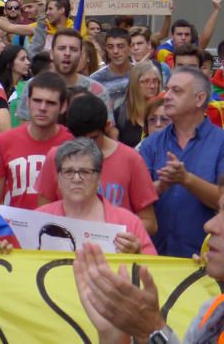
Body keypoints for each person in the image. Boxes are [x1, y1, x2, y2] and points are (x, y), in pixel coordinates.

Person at [73, 183, 224, 344]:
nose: (210, 226)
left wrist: (152, 328)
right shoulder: (213, 311)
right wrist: (113, 336)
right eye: (217, 211)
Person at [35, 93, 158, 234]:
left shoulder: (131, 159)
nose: (86, 145)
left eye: (93, 139)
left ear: (107, 126)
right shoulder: (56, 157)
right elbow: (42, 216)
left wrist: (112, 234)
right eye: (79, 139)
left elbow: (149, 222)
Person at [138, 66, 224, 257]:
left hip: (206, 261)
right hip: (156, 258)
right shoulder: (151, 144)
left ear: (199, 99)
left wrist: (187, 180)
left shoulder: (221, 143)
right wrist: (160, 186)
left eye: (176, 91)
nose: (166, 95)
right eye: (167, 89)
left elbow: (222, 201)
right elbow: (136, 200)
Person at [33, 138, 156, 254]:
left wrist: (137, 255)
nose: (76, 179)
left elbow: (154, 272)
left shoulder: (128, 222)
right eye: (68, 172)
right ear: (58, 178)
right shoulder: (37, 219)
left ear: (99, 178)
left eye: (85, 172)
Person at [0, 72, 74, 209]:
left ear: (63, 106)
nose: (42, 108)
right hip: (14, 227)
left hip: (59, 226)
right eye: (37, 101)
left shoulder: (72, 144)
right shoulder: (4, 141)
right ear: (27, 102)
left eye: (50, 103)